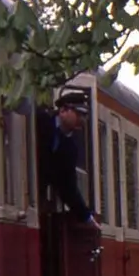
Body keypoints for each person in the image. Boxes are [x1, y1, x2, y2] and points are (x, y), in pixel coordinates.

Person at [34, 91, 99, 229]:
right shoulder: (39, 122)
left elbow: (68, 186)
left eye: (85, 116)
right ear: (63, 110)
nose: (83, 120)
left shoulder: (71, 148)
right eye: (79, 114)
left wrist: (86, 216)